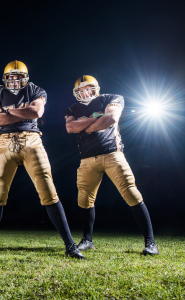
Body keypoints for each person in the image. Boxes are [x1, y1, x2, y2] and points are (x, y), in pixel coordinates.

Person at [0, 60, 84, 259]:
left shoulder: (35, 89)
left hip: (31, 141)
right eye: (11, 77)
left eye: (19, 77)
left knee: (48, 191)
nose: (15, 81)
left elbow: (36, 112)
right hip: (4, 142)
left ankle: (70, 245)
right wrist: (22, 113)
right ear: (5, 78)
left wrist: (8, 112)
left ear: (26, 78)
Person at [65, 75, 158, 255]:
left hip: (112, 154)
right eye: (81, 90)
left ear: (96, 88)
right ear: (76, 93)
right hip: (86, 159)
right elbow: (70, 128)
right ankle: (87, 240)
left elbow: (110, 119)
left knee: (131, 193)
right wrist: (95, 119)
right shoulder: (73, 108)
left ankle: (150, 242)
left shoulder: (112, 98)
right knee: (84, 199)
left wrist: (85, 125)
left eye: (88, 88)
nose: (85, 92)